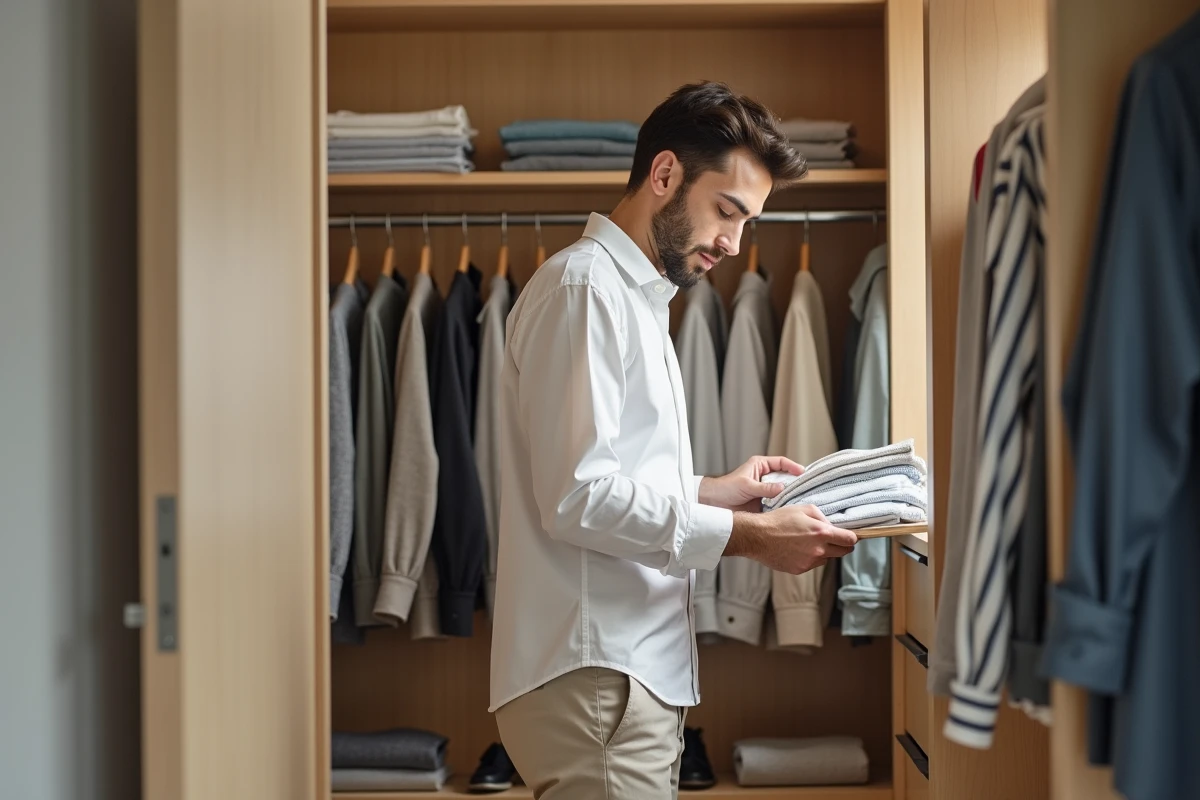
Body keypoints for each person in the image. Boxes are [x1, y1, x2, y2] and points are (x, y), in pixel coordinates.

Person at [488, 81, 860, 799]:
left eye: (749, 222)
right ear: (664, 175)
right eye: (727, 211)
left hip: (621, 675)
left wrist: (717, 491)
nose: (733, 242)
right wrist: (747, 538)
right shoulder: (587, 291)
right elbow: (577, 498)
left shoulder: (633, 299)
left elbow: (606, 476)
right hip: (598, 679)